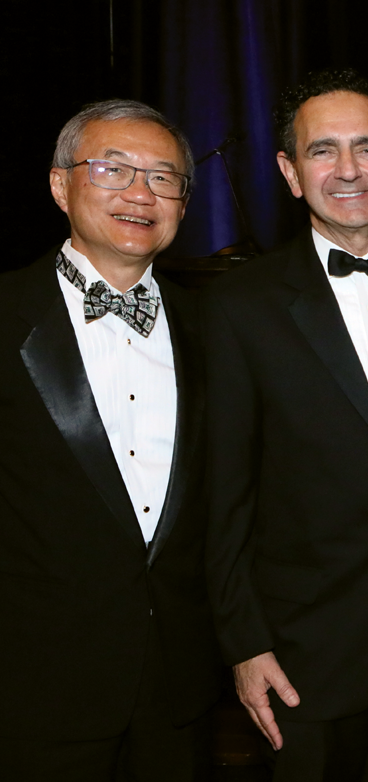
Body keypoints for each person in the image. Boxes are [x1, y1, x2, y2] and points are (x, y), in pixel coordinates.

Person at [203, 68, 368, 780]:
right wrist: (244, 644)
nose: (348, 170)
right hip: (302, 656)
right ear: (291, 172)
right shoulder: (239, 309)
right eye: (323, 151)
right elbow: (223, 497)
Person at [0, 100, 220, 779]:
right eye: (114, 169)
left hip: (179, 692)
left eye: (163, 177)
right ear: (60, 185)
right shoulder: (6, 316)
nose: (140, 193)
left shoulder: (217, 329)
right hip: (34, 690)